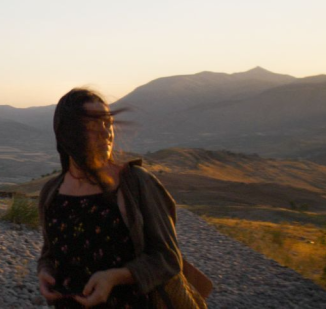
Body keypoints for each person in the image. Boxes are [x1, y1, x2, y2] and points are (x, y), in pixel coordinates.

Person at [36, 88, 204, 308]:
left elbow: (168, 259)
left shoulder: (136, 184)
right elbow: (50, 252)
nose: (106, 134)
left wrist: (115, 277)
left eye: (108, 124)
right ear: (68, 133)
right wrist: (45, 271)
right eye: (94, 126)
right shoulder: (52, 192)